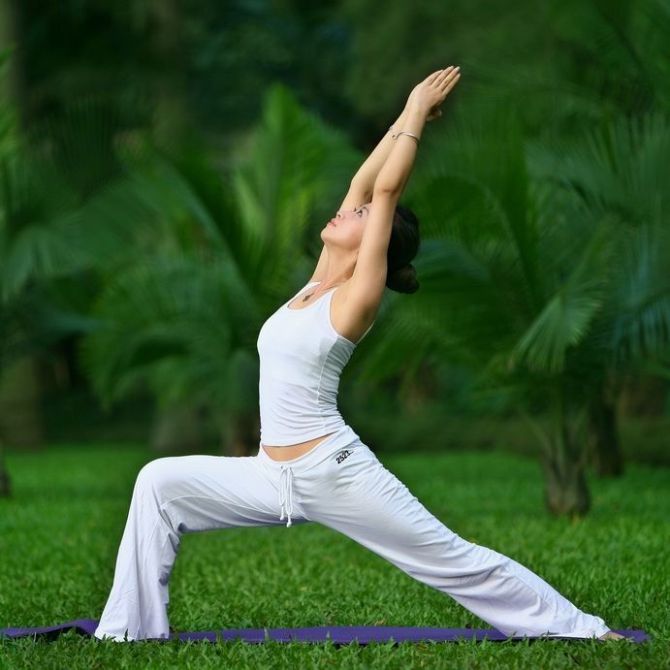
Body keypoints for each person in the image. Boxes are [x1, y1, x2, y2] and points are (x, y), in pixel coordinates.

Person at [94, 67, 624, 642]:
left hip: (334, 471)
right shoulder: (318, 280)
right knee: (158, 483)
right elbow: (366, 180)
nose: (347, 209)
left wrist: (417, 110)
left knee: (448, 557)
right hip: (270, 475)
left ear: (376, 242)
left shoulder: (355, 298)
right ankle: (129, 631)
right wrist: (404, 118)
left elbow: (386, 191)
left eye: (361, 216)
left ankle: (583, 629)